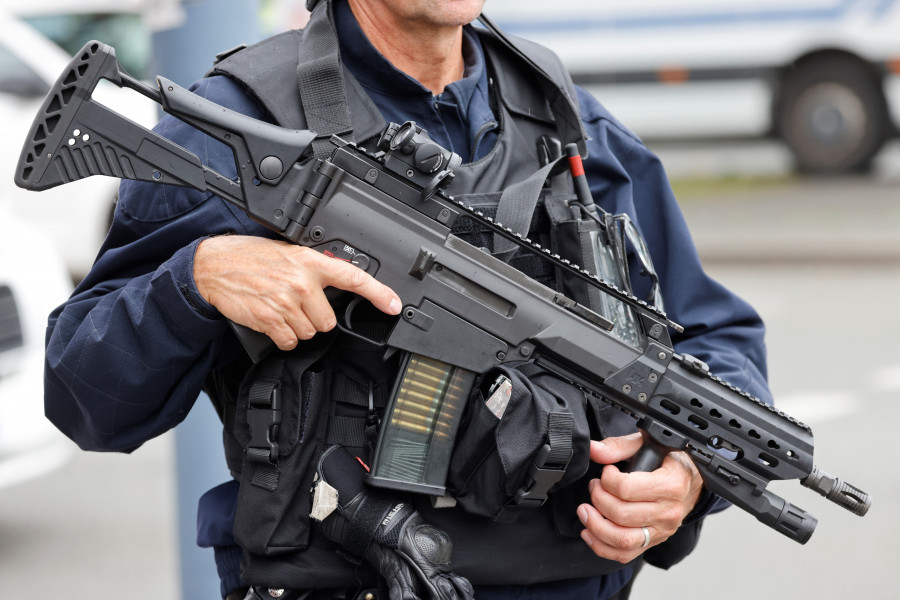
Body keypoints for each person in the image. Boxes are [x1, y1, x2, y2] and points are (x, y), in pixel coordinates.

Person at [43, 0, 773, 599]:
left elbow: (713, 339)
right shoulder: (246, 118)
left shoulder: (564, 121)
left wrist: (687, 478)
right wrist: (199, 278)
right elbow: (81, 391)